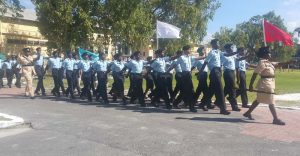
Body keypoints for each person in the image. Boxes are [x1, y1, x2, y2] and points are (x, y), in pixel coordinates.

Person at [243, 46, 285, 125]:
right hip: (265, 84)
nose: (270, 54)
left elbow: (278, 64)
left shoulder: (268, 62)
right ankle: (275, 119)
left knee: (258, 100)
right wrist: (251, 85)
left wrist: (289, 62)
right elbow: (255, 74)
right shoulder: (261, 62)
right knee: (271, 101)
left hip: (270, 83)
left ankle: (248, 113)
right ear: (265, 54)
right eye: (269, 53)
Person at [168, 45, 204, 112]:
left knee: (184, 91)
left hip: (188, 74)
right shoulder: (181, 58)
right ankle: (191, 107)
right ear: (185, 50)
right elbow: (174, 65)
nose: (190, 50)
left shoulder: (189, 57)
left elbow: (198, 58)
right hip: (184, 75)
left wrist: (205, 57)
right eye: (189, 49)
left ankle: (175, 103)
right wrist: (167, 71)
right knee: (190, 91)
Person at [199, 39, 231, 115]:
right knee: (220, 90)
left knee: (211, 90)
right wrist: (200, 73)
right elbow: (205, 62)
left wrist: (236, 52)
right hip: (214, 72)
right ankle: (223, 109)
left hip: (219, 71)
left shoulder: (219, 52)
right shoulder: (212, 53)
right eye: (217, 43)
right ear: (213, 44)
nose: (219, 44)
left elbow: (226, 55)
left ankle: (202, 103)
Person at [221, 44, 241, 111]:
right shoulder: (223, 54)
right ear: (227, 49)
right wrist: (237, 52)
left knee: (227, 88)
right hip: (227, 72)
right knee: (233, 89)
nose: (232, 49)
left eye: (232, 48)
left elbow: (239, 59)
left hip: (232, 72)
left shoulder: (232, 55)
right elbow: (228, 55)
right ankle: (234, 106)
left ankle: (219, 100)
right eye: (231, 48)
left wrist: (248, 55)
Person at [192, 47, 210, 111]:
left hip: (205, 75)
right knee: (206, 91)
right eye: (203, 50)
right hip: (201, 75)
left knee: (199, 90)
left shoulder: (206, 58)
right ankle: (204, 104)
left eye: (204, 50)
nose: (204, 51)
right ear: (199, 51)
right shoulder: (198, 59)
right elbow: (193, 67)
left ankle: (193, 102)